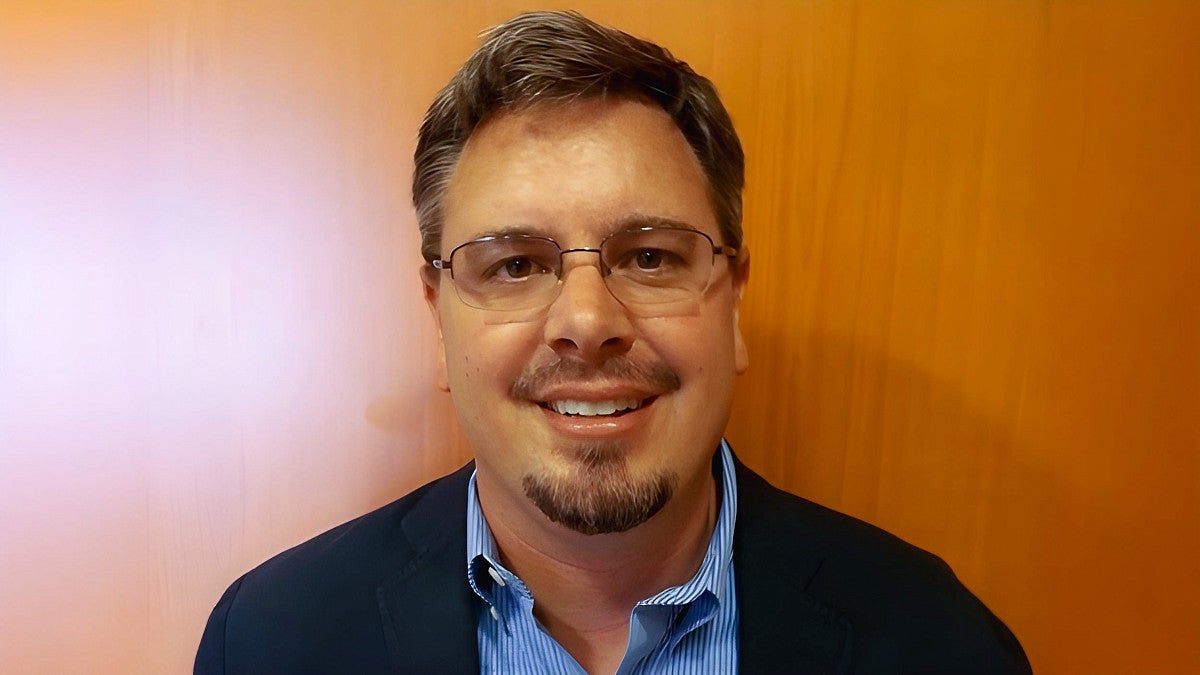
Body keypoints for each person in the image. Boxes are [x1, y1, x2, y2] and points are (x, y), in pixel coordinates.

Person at [196, 10, 1030, 674]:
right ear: (437, 315)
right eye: (516, 263)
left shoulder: (939, 642)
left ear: (733, 303)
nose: (587, 322)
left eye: (652, 256)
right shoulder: (270, 641)